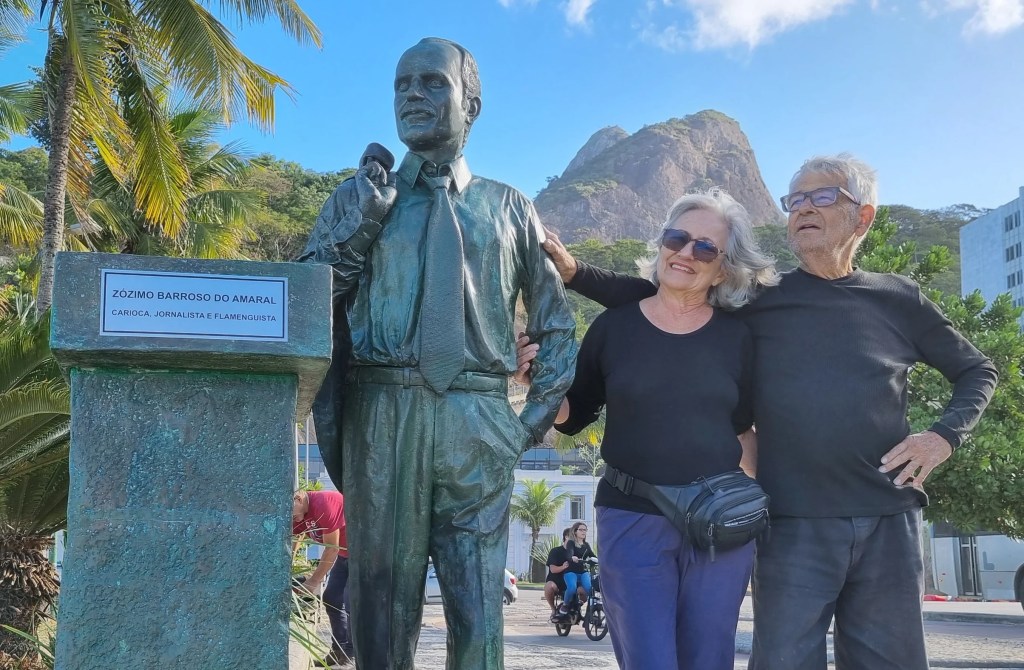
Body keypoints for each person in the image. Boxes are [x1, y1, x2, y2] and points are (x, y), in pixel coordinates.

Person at [537, 154, 999, 670]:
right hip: (790, 520)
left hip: (888, 517)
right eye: (795, 199)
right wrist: (578, 274)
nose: (803, 208)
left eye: (822, 196)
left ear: (863, 216)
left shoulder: (900, 298)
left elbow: (977, 370)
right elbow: (669, 291)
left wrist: (942, 436)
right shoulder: (762, 299)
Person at [298, 37, 577, 669]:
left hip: (478, 417)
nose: (413, 96)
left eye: (433, 83)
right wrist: (363, 223)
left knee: (478, 609)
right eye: (402, 85)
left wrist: (525, 426)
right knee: (379, 604)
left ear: (471, 103)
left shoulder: (510, 207)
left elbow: (557, 328)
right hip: (381, 410)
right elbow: (305, 304)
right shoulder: (358, 199)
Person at [546, 189, 777, 669]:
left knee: (709, 658)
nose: (687, 253)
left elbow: (745, 427)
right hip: (633, 516)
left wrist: (761, 504)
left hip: (720, 522)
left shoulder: (741, 337)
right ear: (661, 244)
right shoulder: (614, 327)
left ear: (724, 267)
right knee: (649, 659)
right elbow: (578, 413)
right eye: (678, 238)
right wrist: (541, 389)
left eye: (706, 248)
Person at [292, 489, 353, 668]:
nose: (292, 518)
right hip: (344, 555)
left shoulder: (324, 503)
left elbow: (331, 548)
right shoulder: (301, 513)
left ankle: (352, 653)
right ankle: (339, 652)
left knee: (352, 602)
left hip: (363, 555)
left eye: (292, 514)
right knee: (332, 599)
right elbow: (295, 536)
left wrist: (313, 582)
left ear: (298, 498)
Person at [556, 521, 596, 616]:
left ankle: (592, 610)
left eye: (585, 530)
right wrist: (572, 558)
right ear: (575, 531)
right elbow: (569, 554)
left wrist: (600, 561)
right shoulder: (571, 543)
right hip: (571, 571)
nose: (583, 532)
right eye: (581, 529)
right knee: (572, 588)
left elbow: (592, 556)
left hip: (583, 572)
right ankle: (565, 605)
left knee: (590, 589)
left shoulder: (586, 545)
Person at [544, 527, 573, 616]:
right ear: (566, 537)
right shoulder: (555, 551)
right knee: (549, 586)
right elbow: (553, 569)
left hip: (571, 582)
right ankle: (553, 609)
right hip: (557, 582)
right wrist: (563, 567)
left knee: (585, 589)